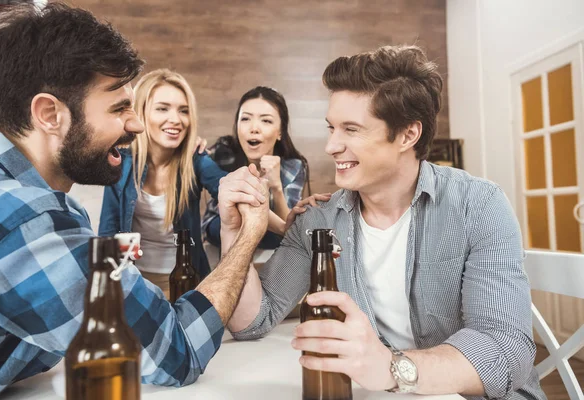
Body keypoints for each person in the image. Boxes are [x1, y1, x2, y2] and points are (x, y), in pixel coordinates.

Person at [220, 45, 545, 399]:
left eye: (351, 129)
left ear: (408, 135)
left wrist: (393, 367)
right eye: (331, 128)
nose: (331, 145)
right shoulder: (317, 221)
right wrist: (235, 231)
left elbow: (505, 349)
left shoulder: (479, 207)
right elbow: (251, 321)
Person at [0, 4, 268, 399]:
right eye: (119, 108)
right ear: (49, 113)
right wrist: (245, 238)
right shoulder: (23, 221)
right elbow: (176, 351)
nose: (134, 124)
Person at [99, 69, 226, 291]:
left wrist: (283, 224)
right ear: (141, 113)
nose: (176, 119)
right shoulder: (120, 162)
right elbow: (108, 233)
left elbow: (233, 189)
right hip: (134, 281)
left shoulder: (195, 161)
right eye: (162, 108)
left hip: (187, 281)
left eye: (183, 111)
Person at [203, 86, 309, 249]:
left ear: (280, 131)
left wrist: (276, 187)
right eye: (245, 119)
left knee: (275, 234)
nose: (254, 128)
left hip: (269, 236)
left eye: (266, 120)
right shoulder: (222, 153)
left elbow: (288, 228)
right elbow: (195, 161)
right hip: (219, 227)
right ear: (237, 126)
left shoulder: (293, 166)